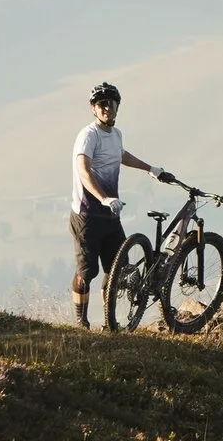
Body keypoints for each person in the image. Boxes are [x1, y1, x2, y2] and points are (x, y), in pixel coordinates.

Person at [68, 81, 172, 327]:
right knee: (87, 272)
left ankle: (109, 321)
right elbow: (83, 169)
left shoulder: (115, 135)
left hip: (110, 215)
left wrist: (150, 169)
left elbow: (121, 155)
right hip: (87, 216)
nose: (107, 108)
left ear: (117, 106)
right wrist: (103, 198)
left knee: (118, 269)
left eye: (111, 103)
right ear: (94, 109)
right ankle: (81, 322)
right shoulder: (88, 135)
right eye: (101, 104)